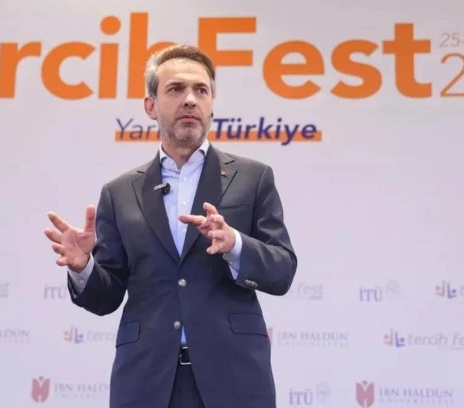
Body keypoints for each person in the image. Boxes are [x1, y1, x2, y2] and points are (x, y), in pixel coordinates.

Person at [44, 44, 297, 408]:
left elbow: (282, 270)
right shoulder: (119, 193)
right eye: (176, 89)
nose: (190, 99)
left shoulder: (252, 178)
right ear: (150, 106)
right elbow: (106, 297)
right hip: (147, 381)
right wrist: (84, 268)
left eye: (201, 90)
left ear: (211, 104)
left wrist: (236, 245)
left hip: (234, 379)